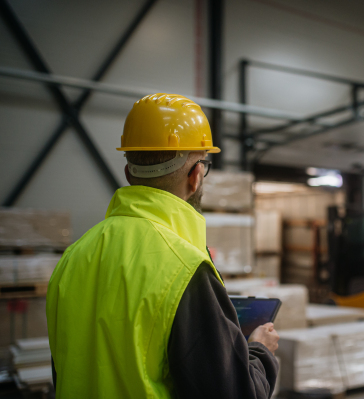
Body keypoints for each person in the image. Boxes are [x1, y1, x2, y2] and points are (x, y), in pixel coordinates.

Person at [46, 93, 279, 398]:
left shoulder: (72, 258)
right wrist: (260, 351)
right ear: (196, 176)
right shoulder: (185, 269)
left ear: (129, 172)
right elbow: (235, 393)